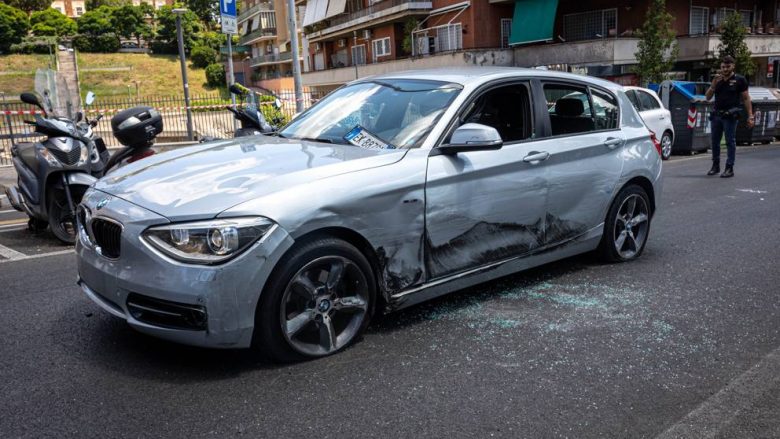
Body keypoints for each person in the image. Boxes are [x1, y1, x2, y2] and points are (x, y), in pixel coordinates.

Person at [704, 55, 754, 178]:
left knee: (730, 141)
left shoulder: (740, 80)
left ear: (733, 66)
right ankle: (715, 166)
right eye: (723, 67)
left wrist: (750, 116)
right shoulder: (717, 79)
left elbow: (746, 98)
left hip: (730, 116)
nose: (725, 69)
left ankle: (729, 167)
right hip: (717, 115)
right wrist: (713, 84)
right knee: (715, 141)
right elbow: (708, 97)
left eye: (728, 66)